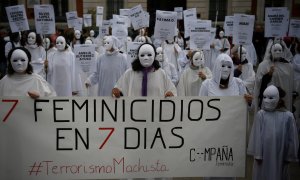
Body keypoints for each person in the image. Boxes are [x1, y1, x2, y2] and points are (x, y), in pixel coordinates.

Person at [247, 85, 299, 180]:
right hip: (263, 156)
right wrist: (258, 154)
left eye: (271, 98)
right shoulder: (261, 115)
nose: (266, 100)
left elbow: (291, 137)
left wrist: (289, 155)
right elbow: (257, 135)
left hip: (279, 155)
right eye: (265, 97)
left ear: (279, 99)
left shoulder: (288, 116)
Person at [112, 43, 177, 97]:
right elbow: (119, 89)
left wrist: (170, 94)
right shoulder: (129, 73)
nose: (146, 58)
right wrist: (116, 91)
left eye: (149, 55)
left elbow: (171, 90)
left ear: (154, 56)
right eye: (142, 55)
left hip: (155, 111)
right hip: (135, 110)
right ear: (138, 56)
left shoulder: (161, 73)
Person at [254, 42, 294, 112]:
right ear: (271, 51)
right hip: (269, 99)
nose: (277, 52)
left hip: (284, 98)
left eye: (279, 50)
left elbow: (290, 83)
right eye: (275, 50)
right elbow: (258, 83)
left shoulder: (288, 66)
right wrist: (268, 75)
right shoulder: (263, 65)